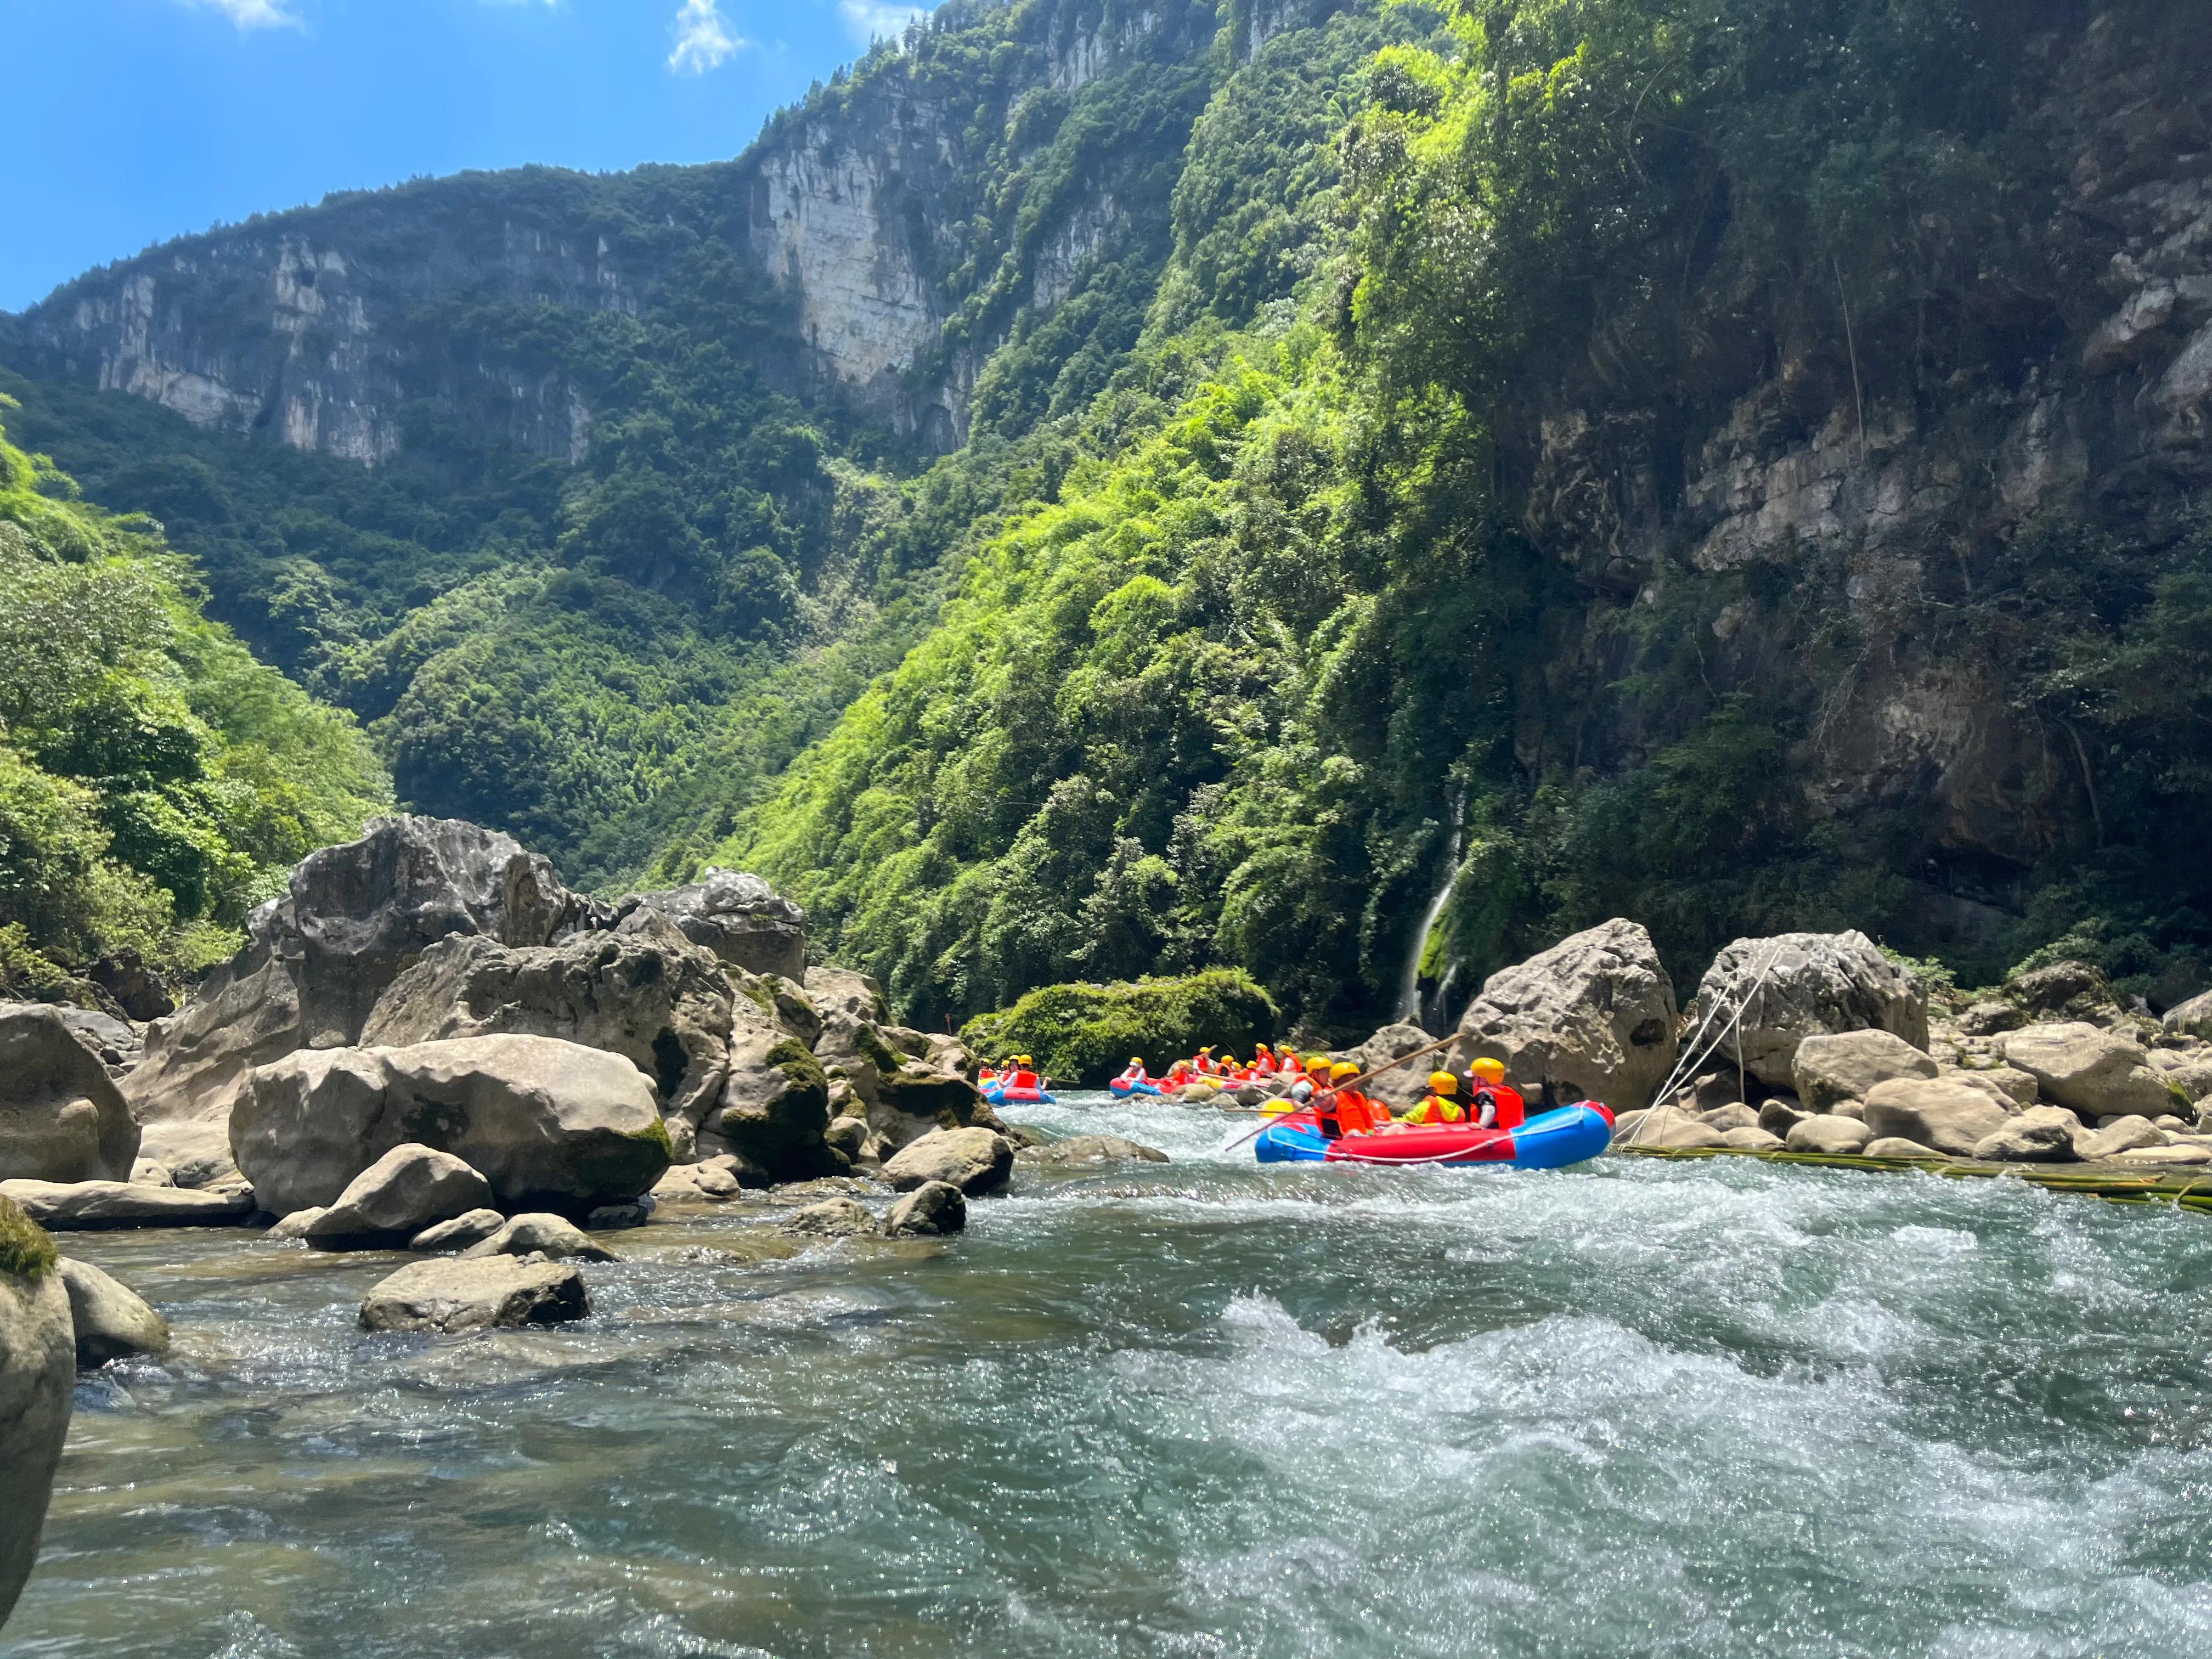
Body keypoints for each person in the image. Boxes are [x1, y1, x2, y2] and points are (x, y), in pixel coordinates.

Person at [1463, 1057, 1526, 1130]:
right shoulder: (1507, 1091)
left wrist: (1481, 1126)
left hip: (1495, 1134)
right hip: (1514, 1132)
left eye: (1473, 1078)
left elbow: (1490, 1109)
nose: (1472, 1082)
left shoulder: (1483, 1093)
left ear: (1483, 1080)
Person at [1401, 1070, 1466, 1127]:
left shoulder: (1427, 1105)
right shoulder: (1460, 1110)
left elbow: (1408, 1120)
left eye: (1430, 1088)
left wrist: (1391, 1120)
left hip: (1429, 1138)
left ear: (1434, 1090)